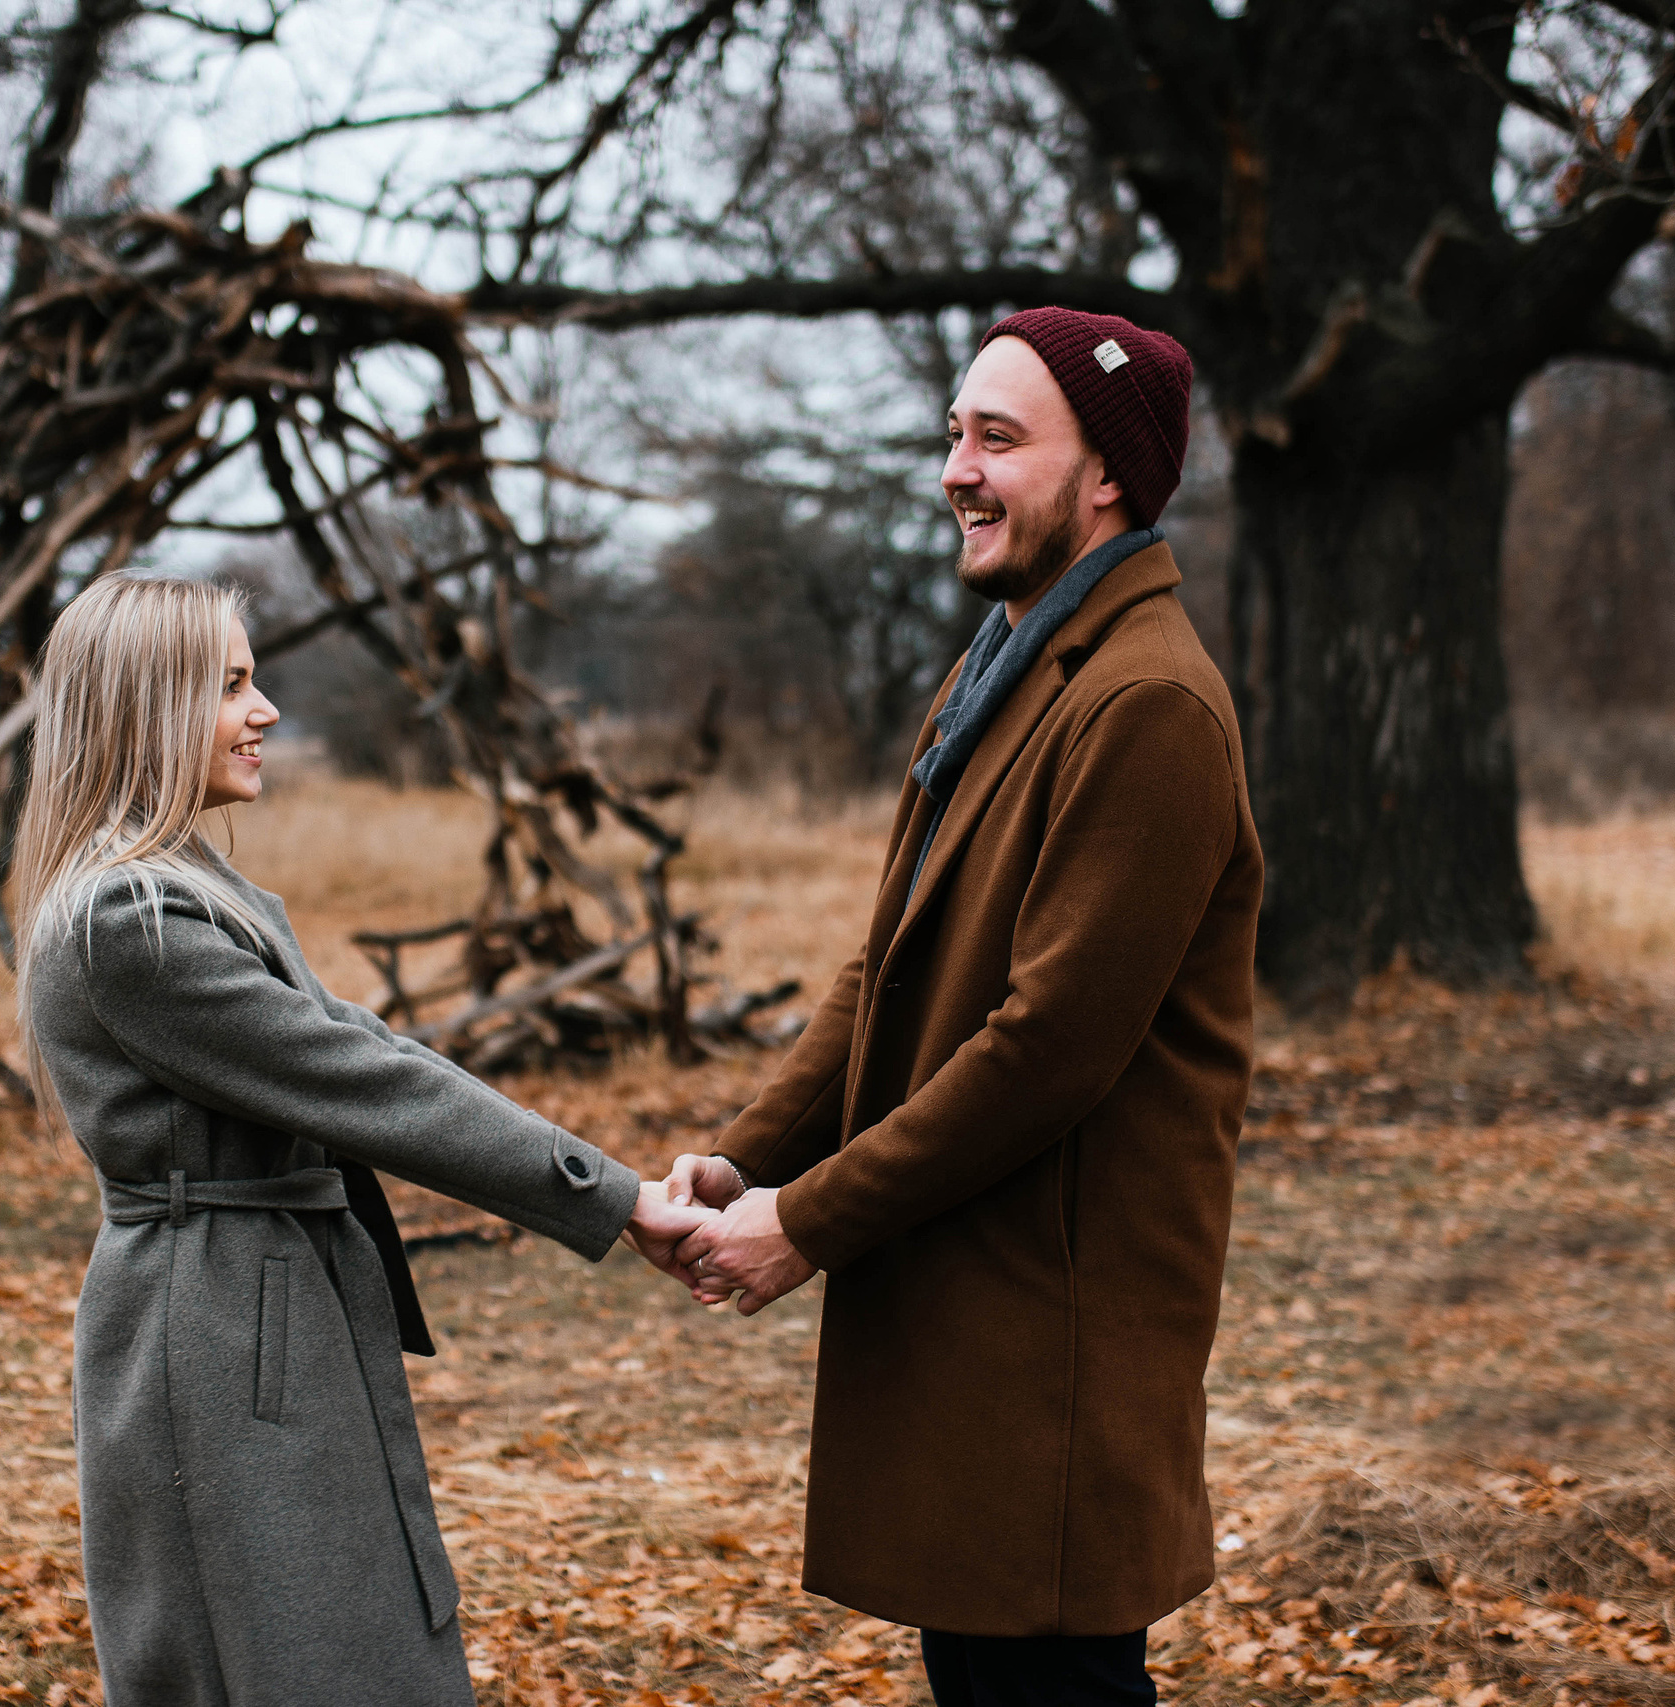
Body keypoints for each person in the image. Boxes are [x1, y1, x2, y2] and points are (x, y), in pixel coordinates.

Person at [667, 306, 1264, 1707]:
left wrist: (806, 1221)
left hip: (1054, 1329)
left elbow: (1046, 1050)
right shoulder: (1004, 667)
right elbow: (887, 965)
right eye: (953, 432)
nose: (957, 467)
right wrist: (750, 1152)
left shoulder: (1148, 704)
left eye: (999, 436)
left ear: (1107, 473)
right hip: (968, 1296)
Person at [9, 572, 712, 1707]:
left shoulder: (187, 887)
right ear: (148, 706)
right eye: (231, 683)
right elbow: (361, 1081)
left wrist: (608, 1186)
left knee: (335, 1630)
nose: (266, 709)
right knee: (287, 1651)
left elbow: (359, 1045)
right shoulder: (127, 923)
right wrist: (614, 1198)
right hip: (221, 1330)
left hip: (259, 1305)